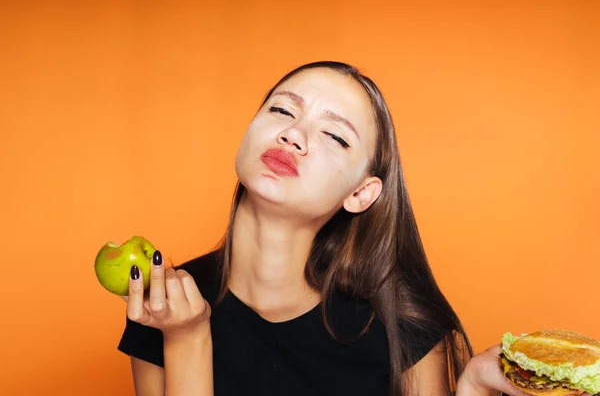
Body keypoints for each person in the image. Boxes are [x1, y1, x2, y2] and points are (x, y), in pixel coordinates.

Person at [116, 61, 533, 396]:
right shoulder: (164, 307)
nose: (293, 134)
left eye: (334, 134)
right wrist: (186, 336)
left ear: (361, 194)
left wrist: (473, 388)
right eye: (282, 110)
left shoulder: (401, 323)